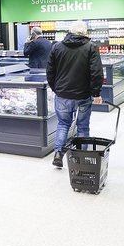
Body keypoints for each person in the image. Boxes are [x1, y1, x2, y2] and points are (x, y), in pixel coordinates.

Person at [45, 21, 104, 168]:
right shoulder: (90, 47)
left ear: (70, 31)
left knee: (63, 124)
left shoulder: (57, 47)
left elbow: (50, 71)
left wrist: (55, 88)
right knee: (83, 126)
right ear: (84, 32)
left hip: (62, 93)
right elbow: (96, 72)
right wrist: (96, 93)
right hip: (83, 94)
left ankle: (58, 153)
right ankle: (81, 158)